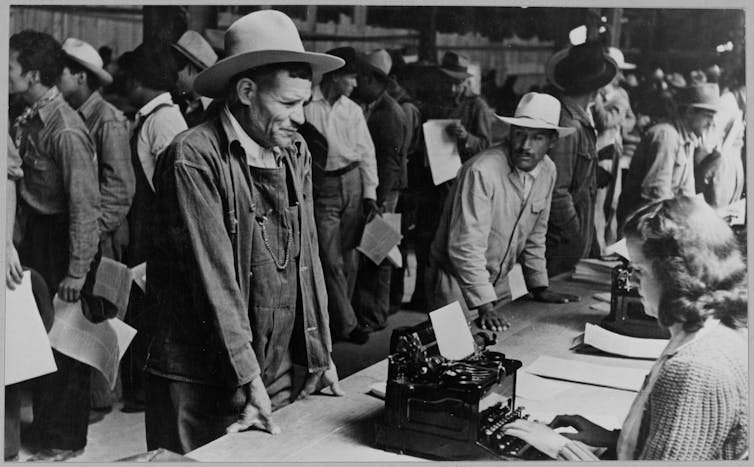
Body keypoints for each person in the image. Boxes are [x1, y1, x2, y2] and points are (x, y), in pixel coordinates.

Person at [144, 10, 345, 454]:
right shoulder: (192, 157)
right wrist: (248, 378)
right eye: (289, 104)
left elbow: (306, 259)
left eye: (305, 103)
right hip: (197, 376)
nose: (300, 118)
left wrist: (320, 351)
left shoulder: (295, 153)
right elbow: (213, 277)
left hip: (269, 366)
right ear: (247, 92)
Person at [502, 196, 748, 460]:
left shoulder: (695, 370)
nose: (631, 283)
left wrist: (560, 447)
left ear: (674, 275)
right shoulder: (714, 331)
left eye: (638, 272)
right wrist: (614, 438)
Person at [9, 30, 101, 461]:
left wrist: (78, 271)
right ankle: (46, 431)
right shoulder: (28, 117)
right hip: (39, 238)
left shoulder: (64, 129)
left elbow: (86, 206)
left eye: (9, 67)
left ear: (31, 74)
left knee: (67, 345)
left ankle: (67, 439)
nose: (4, 74)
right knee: (41, 341)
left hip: (64, 242)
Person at [427, 93, 580, 332]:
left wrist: (539, 285)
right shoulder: (481, 171)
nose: (525, 146)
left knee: (502, 351)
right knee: (453, 357)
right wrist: (486, 306)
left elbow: (535, 235)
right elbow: (465, 247)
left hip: (498, 282)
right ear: (510, 133)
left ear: (552, 142)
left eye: (537, 138)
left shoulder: (548, 170)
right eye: (519, 134)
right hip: (457, 283)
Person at [58, 36, 136, 417]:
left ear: (81, 77)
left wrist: (91, 230)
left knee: (101, 316)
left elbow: (121, 188)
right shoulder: (76, 116)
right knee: (83, 316)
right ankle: (91, 398)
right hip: (89, 236)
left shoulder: (107, 120)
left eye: (62, 74)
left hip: (102, 238)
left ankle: (101, 397)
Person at [118, 42, 188, 413]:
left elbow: (174, 185)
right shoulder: (148, 116)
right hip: (142, 227)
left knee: (150, 313)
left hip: (155, 231)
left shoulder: (164, 120)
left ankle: (146, 391)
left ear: (139, 79)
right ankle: (139, 388)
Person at [303, 46, 376, 344]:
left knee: (350, 259)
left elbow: (367, 153)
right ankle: (347, 323)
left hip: (353, 182)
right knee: (330, 259)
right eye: (352, 78)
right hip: (325, 188)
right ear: (335, 77)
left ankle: (334, 321)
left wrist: (370, 193)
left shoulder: (352, 110)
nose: (356, 85)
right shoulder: (306, 106)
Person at [544, 41, 617, 275]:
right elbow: (557, 191)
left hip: (569, 239)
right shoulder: (569, 125)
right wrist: (575, 236)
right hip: (561, 243)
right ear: (596, 90)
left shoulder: (577, 119)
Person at [352, 49, 407, 331]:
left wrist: (378, 201)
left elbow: (389, 164)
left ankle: (374, 316)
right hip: (381, 194)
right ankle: (370, 312)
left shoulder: (388, 114)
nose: (355, 83)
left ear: (374, 80)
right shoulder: (374, 107)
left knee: (379, 255)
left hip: (386, 195)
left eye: (360, 78)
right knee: (374, 254)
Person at [617, 84, 719, 229]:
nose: (711, 123)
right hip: (642, 225)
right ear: (690, 112)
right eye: (708, 116)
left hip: (663, 219)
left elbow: (687, 193)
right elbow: (655, 196)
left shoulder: (687, 139)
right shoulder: (666, 136)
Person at [591, 47, 636, 252]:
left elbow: (605, 121)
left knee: (606, 203)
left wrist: (597, 97)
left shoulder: (619, 95)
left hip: (607, 154)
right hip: (597, 152)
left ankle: (603, 248)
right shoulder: (606, 94)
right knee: (594, 203)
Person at [439, 51, 494, 162]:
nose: (452, 89)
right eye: (447, 82)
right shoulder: (438, 101)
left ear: (465, 81)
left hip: (465, 168)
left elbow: (486, 146)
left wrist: (466, 136)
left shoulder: (477, 105)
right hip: (439, 166)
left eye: (457, 83)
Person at [171, 30, 218, 127]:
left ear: (191, 69)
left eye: (178, 66)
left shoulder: (216, 111)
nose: (173, 73)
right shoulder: (179, 102)